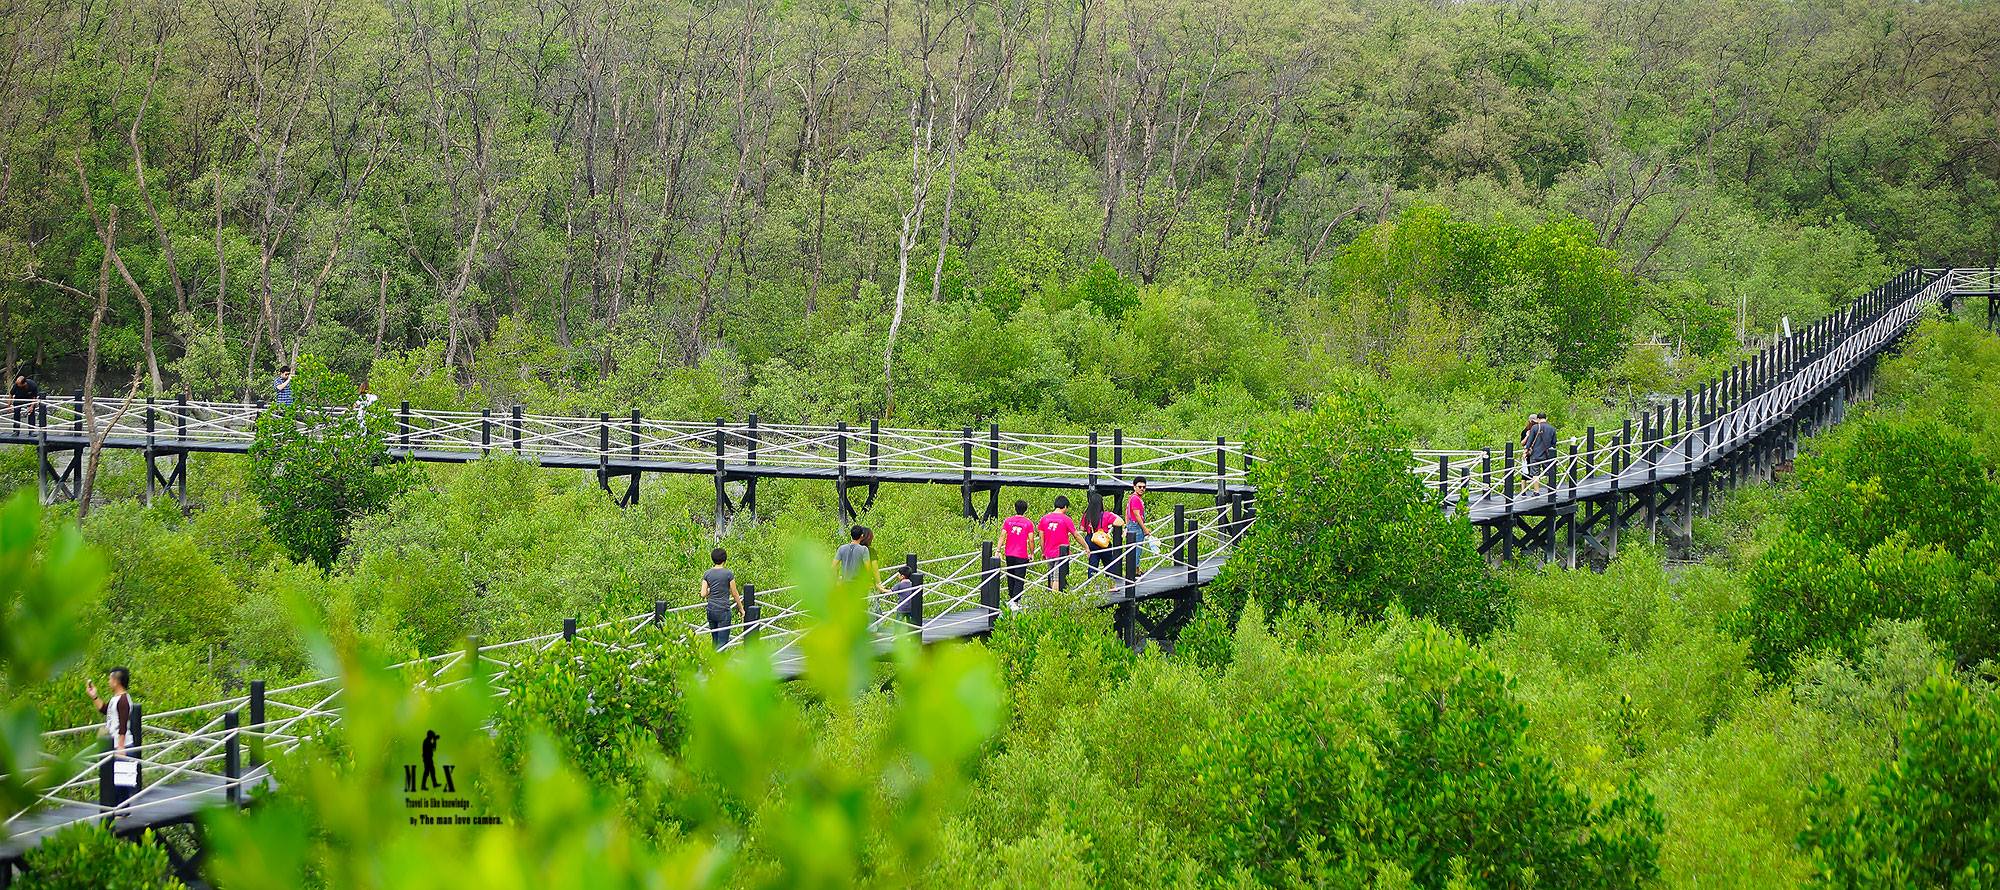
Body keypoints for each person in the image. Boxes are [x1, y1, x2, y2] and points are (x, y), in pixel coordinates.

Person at [88, 668, 136, 802]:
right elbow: (105, 709)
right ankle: (117, 810)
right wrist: (94, 696)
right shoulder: (116, 699)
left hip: (122, 745)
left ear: (116, 681)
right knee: (114, 781)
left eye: (110, 679)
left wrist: (121, 747)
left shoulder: (124, 700)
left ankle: (123, 811)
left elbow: (123, 723)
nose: (109, 682)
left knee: (120, 782)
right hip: (113, 744)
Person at [699, 547, 744, 647]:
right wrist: (741, 609)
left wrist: (712, 589)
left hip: (711, 610)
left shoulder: (707, 574)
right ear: (724, 559)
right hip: (723, 610)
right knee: (722, 642)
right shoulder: (728, 574)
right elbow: (735, 593)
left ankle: (713, 661)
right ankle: (720, 661)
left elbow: (703, 594)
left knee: (715, 641)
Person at [1037, 495, 1082, 590]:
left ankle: (1050, 596)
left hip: (1048, 552)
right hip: (1061, 553)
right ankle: (1055, 600)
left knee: (1051, 576)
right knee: (1057, 578)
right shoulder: (1066, 519)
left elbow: (1041, 536)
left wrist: (1043, 551)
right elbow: (1076, 535)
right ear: (1065, 506)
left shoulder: (1044, 519)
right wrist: (1086, 547)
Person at [1083, 491, 1126, 578]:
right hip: (1102, 541)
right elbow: (1120, 522)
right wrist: (1113, 514)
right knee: (1109, 564)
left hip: (1091, 541)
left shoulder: (1086, 515)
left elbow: (1082, 528)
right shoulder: (1106, 515)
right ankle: (1111, 585)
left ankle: (1091, 584)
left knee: (1092, 565)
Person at [1000, 499, 1035, 600]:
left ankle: (1011, 598)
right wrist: (1032, 553)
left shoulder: (1008, 521)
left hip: (1009, 553)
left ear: (1015, 508)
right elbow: (1031, 539)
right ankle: (1015, 601)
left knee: (1010, 576)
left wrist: (998, 550)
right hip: (1021, 555)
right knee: (1019, 579)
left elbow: (1002, 535)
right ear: (1025, 510)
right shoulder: (1028, 523)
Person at [1524, 413, 1558, 492]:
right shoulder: (1552, 428)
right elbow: (1554, 442)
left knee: (1535, 474)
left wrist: (1526, 451)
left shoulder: (1535, 428)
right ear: (1546, 418)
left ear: (1538, 419)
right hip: (1548, 455)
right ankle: (1551, 490)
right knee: (1549, 472)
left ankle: (1536, 492)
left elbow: (1530, 441)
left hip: (1535, 454)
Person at [1125, 477, 1157, 557]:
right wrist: (1145, 529)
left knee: (1133, 549)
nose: (1142, 489)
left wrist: (1127, 525)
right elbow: (1137, 515)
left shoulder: (1131, 497)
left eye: (1144, 487)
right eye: (1139, 487)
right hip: (1136, 526)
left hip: (1132, 525)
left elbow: (1126, 512)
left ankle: (1136, 568)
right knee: (1137, 549)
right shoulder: (1135, 499)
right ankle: (1135, 568)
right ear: (1134, 487)